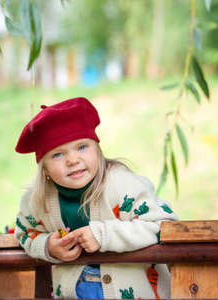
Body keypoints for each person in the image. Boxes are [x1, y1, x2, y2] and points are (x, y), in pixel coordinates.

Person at [14, 97, 178, 299]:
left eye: (82, 147)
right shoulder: (37, 200)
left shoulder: (122, 185)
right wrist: (48, 246)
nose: (73, 160)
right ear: (44, 168)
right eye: (57, 154)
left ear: (98, 150)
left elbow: (163, 225)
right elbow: (24, 232)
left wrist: (103, 235)